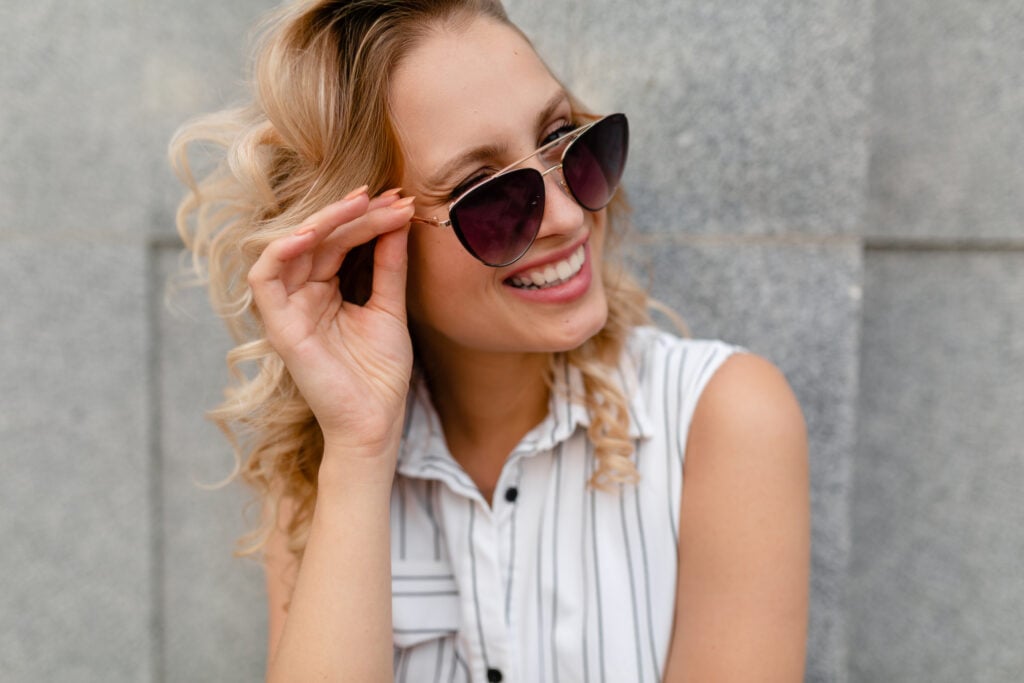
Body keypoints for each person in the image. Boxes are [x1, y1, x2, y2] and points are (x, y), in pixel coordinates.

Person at [170, 0, 810, 680]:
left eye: (565, 139)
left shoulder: (723, 420)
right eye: (487, 192)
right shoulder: (319, 473)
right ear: (365, 245)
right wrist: (360, 453)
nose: (566, 215)